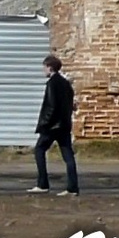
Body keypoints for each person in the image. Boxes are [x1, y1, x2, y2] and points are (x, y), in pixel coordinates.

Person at [31, 55, 77, 196]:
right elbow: (71, 105)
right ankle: (72, 188)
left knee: (39, 150)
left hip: (52, 127)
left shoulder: (52, 83)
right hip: (64, 125)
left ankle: (42, 184)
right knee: (68, 156)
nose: (43, 70)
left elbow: (51, 106)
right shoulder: (66, 83)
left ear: (49, 67)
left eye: (44, 67)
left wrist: (44, 124)